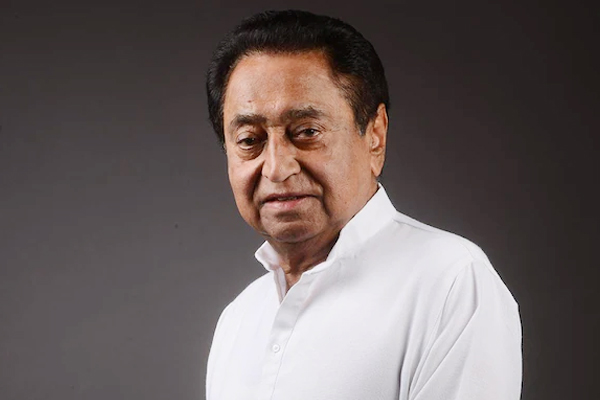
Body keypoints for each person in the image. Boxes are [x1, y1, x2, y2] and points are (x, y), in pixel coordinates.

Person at [205, 10, 521, 400]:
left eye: (307, 131)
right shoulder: (239, 320)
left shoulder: (450, 283)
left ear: (375, 135)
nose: (276, 168)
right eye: (249, 140)